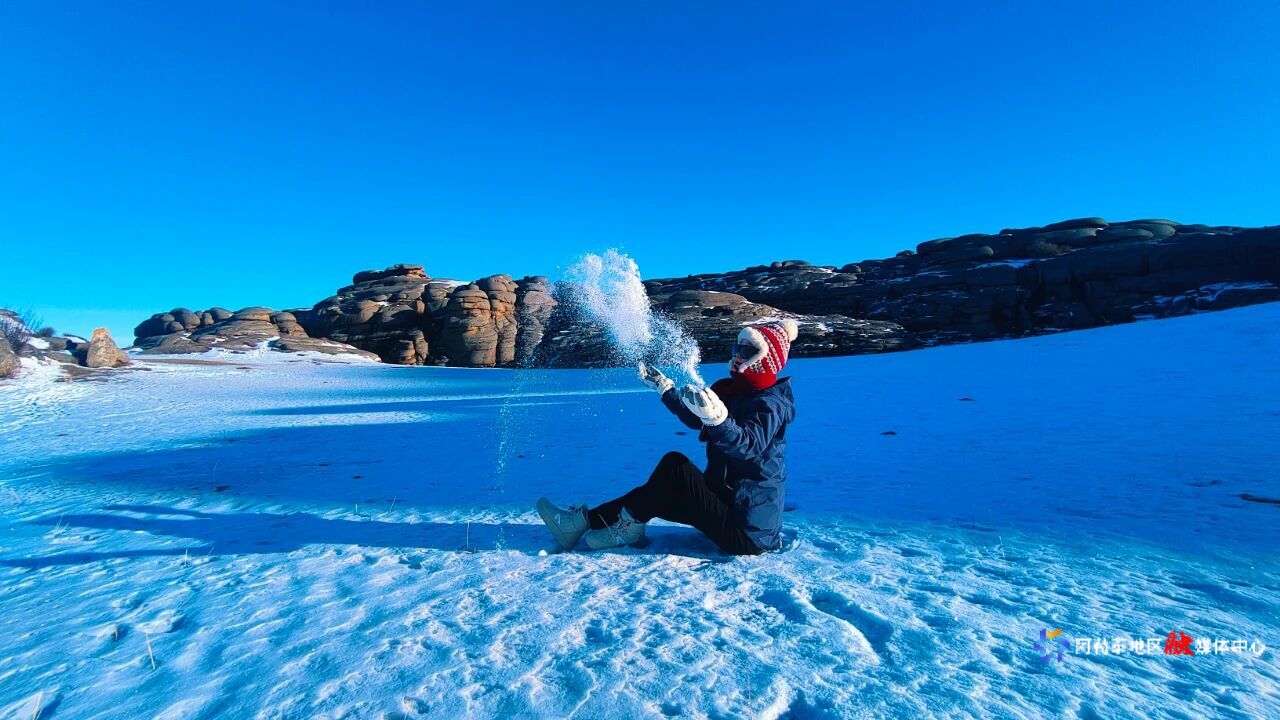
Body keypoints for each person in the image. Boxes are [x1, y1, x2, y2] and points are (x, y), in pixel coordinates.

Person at [537, 319, 798, 555]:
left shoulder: (770, 404)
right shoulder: (735, 391)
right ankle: (587, 523)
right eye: (736, 348)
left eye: (747, 351)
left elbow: (748, 445)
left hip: (749, 531)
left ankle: (606, 526)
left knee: (676, 470)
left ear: (766, 359)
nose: (738, 355)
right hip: (725, 503)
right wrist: (666, 390)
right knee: (660, 488)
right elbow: (698, 420)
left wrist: (718, 419)